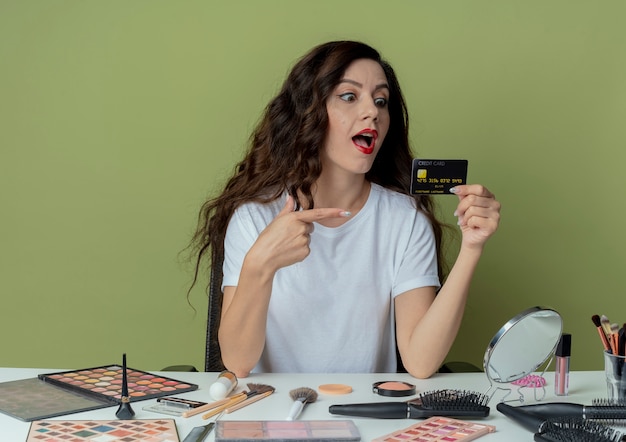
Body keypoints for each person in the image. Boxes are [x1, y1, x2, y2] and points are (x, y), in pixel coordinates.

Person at [188, 40, 501, 379]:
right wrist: (260, 265)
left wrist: (472, 246)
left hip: (366, 415)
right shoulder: (254, 217)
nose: (373, 112)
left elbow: (421, 362)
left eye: (381, 101)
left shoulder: (405, 219)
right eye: (349, 96)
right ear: (309, 112)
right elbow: (237, 361)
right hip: (272, 414)